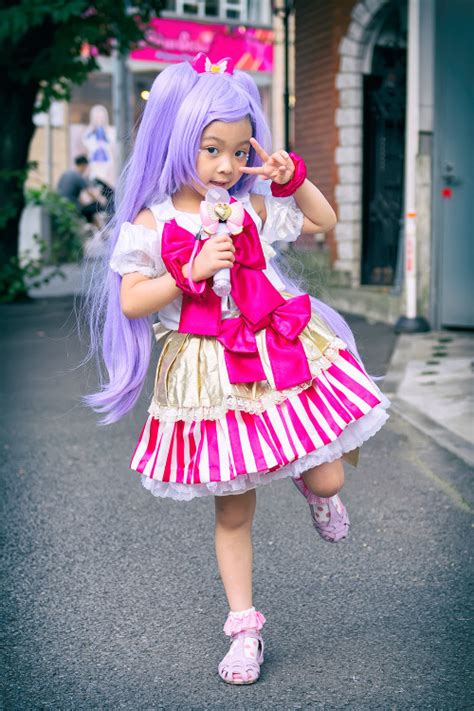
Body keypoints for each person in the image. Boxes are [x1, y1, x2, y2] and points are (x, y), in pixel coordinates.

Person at [84, 54, 390, 685]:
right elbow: (131, 299)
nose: (226, 165)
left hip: (274, 353)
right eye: (211, 149)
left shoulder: (246, 206)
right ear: (176, 143)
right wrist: (188, 272)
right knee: (233, 510)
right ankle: (245, 629)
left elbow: (323, 221)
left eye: (239, 149)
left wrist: (291, 178)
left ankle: (309, 487)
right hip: (204, 375)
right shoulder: (154, 220)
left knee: (330, 478)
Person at [57, 155, 106, 225]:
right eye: (86, 167)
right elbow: (90, 192)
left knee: (88, 208)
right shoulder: (78, 176)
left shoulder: (66, 173)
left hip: (62, 205)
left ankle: (95, 229)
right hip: (73, 207)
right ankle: (100, 230)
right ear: (83, 165)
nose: (85, 169)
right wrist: (100, 201)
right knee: (96, 206)